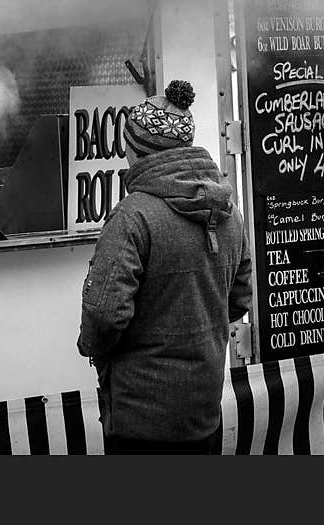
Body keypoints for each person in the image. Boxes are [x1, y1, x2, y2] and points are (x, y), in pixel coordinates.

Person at [77, 80, 252, 455]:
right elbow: (240, 297)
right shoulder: (228, 211)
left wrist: (94, 349)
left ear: (135, 149)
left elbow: (104, 315)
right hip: (204, 413)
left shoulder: (132, 216)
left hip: (141, 421)